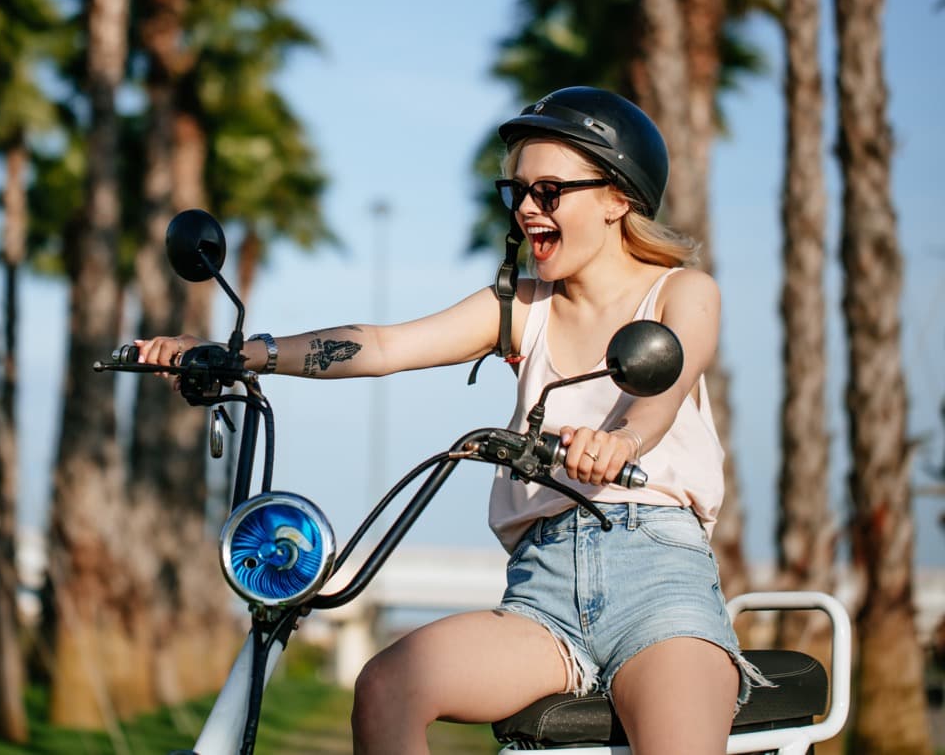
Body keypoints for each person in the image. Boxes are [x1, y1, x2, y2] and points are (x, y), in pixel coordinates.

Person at [134, 86, 765, 755]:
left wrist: (621, 441)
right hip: (542, 589)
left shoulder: (683, 292)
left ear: (616, 197)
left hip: (659, 580)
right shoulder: (522, 309)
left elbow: (665, 386)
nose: (525, 209)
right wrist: (243, 354)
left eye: (548, 191)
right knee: (386, 686)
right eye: (516, 191)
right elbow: (382, 345)